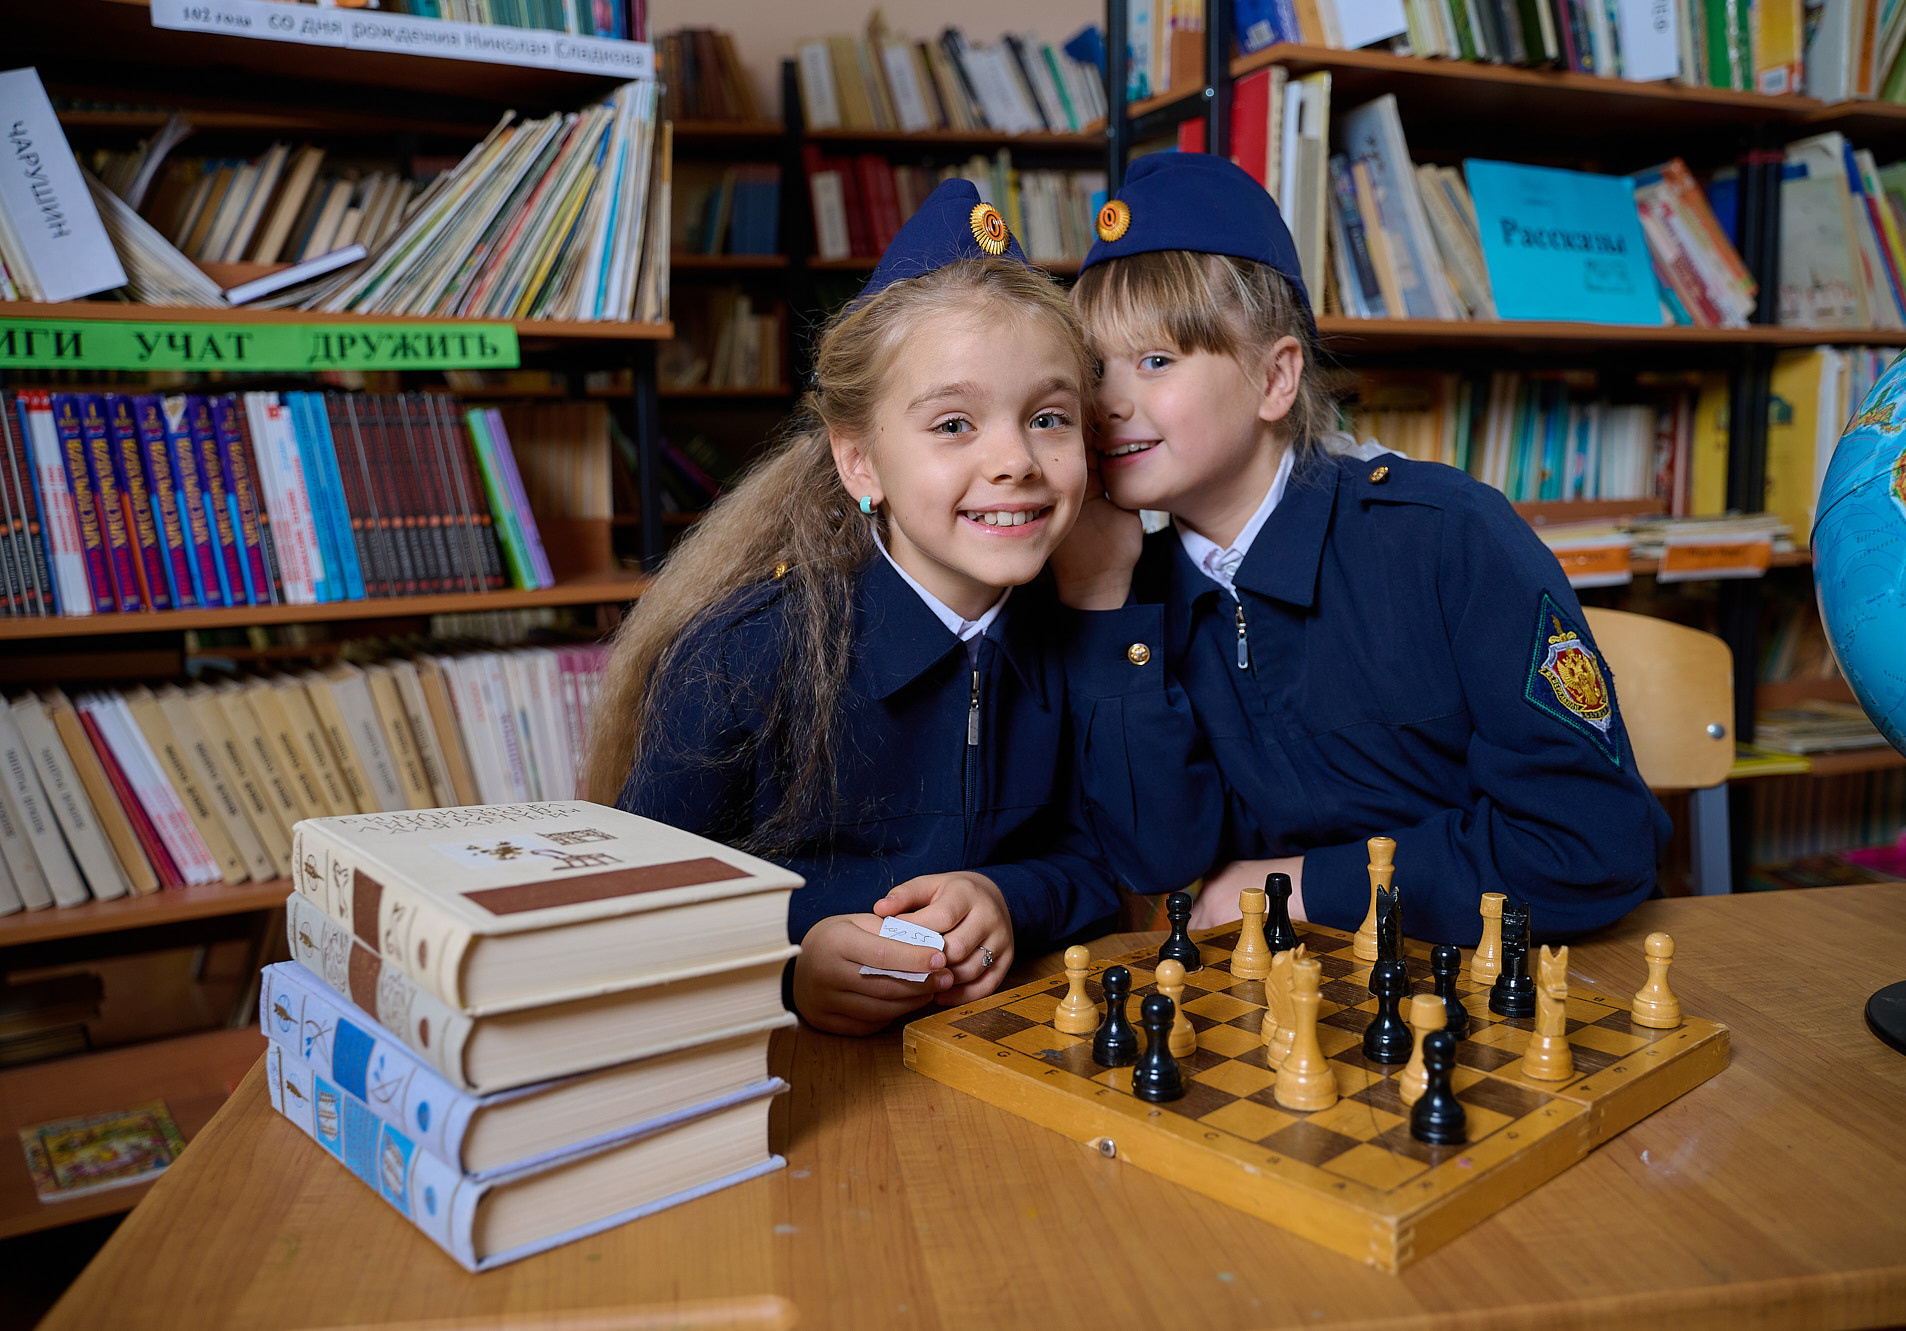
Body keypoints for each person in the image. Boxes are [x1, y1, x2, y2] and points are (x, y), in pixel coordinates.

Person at [586, 181, 1201, 1036]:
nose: (1016, 460)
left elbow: (1124, 862)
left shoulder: (1083, 623)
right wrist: (784, 969)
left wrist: (1006, 896)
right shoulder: (741, 657)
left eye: (1049, 417)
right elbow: (627, 920)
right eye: (953, 424)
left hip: (1003, 1052)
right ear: (860, 463)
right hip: (795, 1076)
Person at [1052, 152, 1671, 946]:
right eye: (1093, 370)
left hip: (1504, 971)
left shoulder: (1446, 535)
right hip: (1298, 989)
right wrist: (1104, 605)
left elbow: (1592, 847)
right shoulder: (1129, 589)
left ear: (1276, 379)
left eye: (1156, 361)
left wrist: (1303, 885)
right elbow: (1160, 861)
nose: (1108, 403)